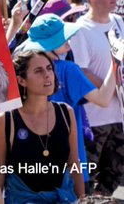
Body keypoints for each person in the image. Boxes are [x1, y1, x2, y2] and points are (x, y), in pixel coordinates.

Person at [21, 13, 116, 185]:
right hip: (71, 167)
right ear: (49, 44)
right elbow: (103, 99)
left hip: (34, 167)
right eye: (62, 36)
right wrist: (114, 63)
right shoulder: (68, 70)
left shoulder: (25, 73)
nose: (69, 39)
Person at [0, 50, 84, 203]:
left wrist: (83, 200)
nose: (47, 75)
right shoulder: (4, 120)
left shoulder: (66, 112)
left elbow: (74, 165)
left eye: (49, 68)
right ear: (21, 80)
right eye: (38, 71)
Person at [67, 0, 124, 194]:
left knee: (114, 175)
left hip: (118, 116)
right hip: (95, 120)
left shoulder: (119, 22)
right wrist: (112, 89)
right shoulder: (80, 29)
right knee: (87, 178)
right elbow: (82, 70)